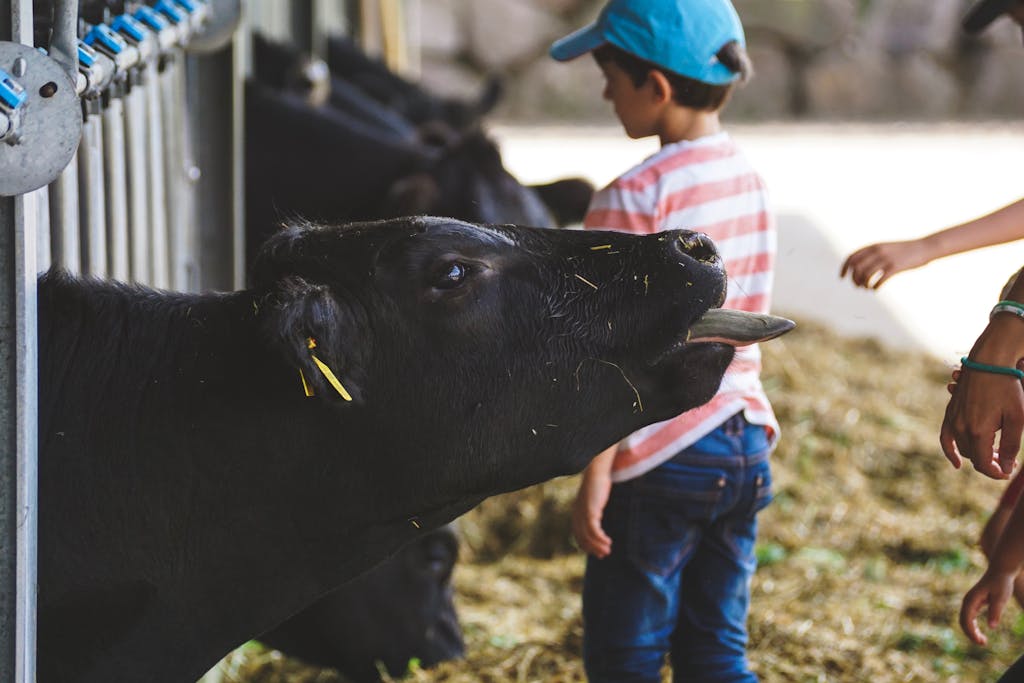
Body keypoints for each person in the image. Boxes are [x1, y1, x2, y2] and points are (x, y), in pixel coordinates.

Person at [550, 2, 778, 680]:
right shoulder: (750, 179)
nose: (604, 92)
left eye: (611, 75)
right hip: (745, 442)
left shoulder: (632, 196)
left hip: (660, 455)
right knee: (717, 652)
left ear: (657, 86)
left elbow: (611, 349)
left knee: (627, 656)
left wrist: (594, 471)